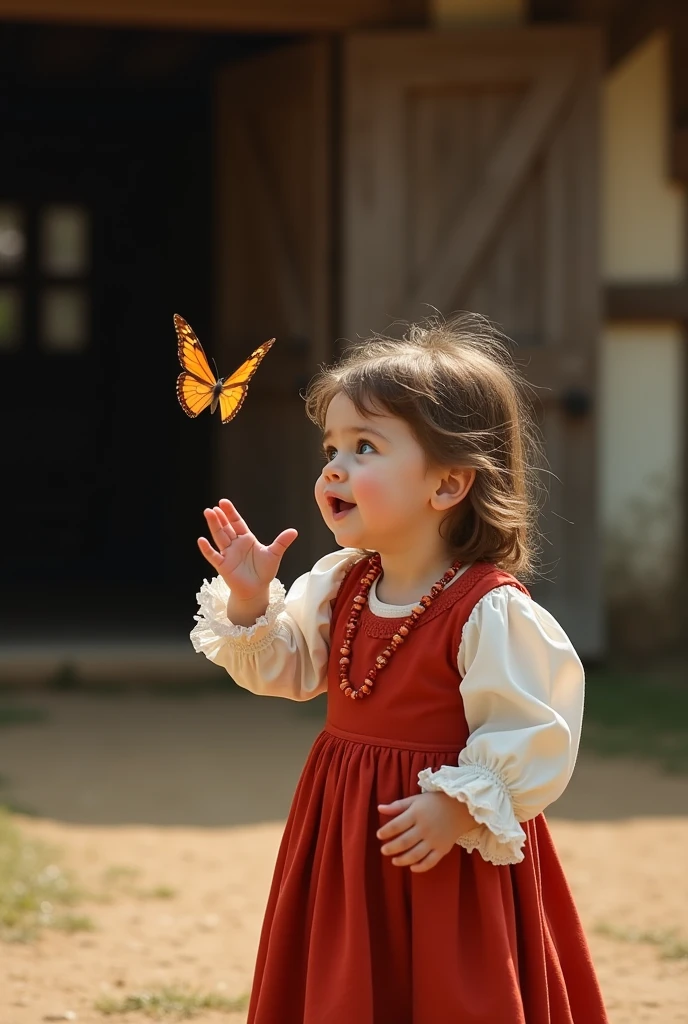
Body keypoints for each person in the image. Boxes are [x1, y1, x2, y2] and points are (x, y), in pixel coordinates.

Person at [190, 314, 609, 1024]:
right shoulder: (341, 585)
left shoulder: (489, 613)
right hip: (346, 839)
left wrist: (459, 804)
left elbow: (533, 729)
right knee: (348, 983)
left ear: (447, 485)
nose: (333, 467)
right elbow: (286, 669)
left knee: (448, 989)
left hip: (447, 856)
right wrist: (253, 599)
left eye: (364, 447)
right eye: (330, 447)